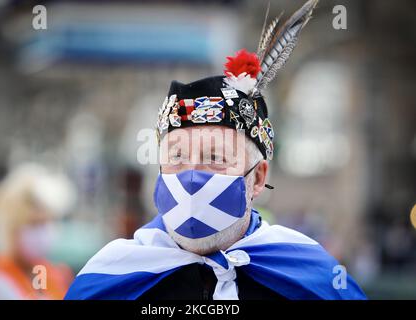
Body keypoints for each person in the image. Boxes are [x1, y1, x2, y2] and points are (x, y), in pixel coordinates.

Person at [65, 0, 367, 300]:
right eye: (177, 156)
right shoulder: (109, 279)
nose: (193, 176)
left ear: (258, 178)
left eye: (215, 158)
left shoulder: (315, 282)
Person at [0, 163, 76, 299]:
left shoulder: (50, 273)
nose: (42, 232)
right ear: (12, 228)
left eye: (45, 222)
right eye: (34, 224)